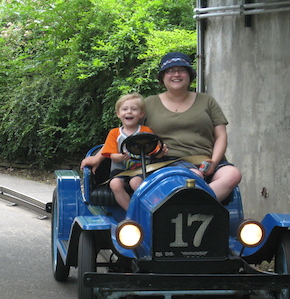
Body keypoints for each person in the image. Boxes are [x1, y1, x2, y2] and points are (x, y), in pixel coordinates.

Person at [81, 52, 241, 202]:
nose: (176, 74)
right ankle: (185, 208)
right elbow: (125, 133)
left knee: (233, 174)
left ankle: (194, 205)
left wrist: (213, 161)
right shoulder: (149, 103)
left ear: (190, 75)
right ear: (162, 77)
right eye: (170, 71)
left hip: (205, 160)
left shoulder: (207, 101)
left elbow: (221, 136)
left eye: (181, 70)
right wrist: (97, 157)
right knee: (191, 177)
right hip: (163, 162)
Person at [101, 93, 159, 210]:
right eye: (125, 109)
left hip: (140, 169)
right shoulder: (114, 133)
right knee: (115, 184)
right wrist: (120, 157)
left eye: (134, 109)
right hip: (120, 170)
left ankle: (150, 209)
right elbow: (112, 155)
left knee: (136, 183)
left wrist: (161, 152)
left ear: (141, 114)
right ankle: (131, 211)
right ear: (118, 114)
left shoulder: (145, 131)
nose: (129, 112)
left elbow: (155, 151)